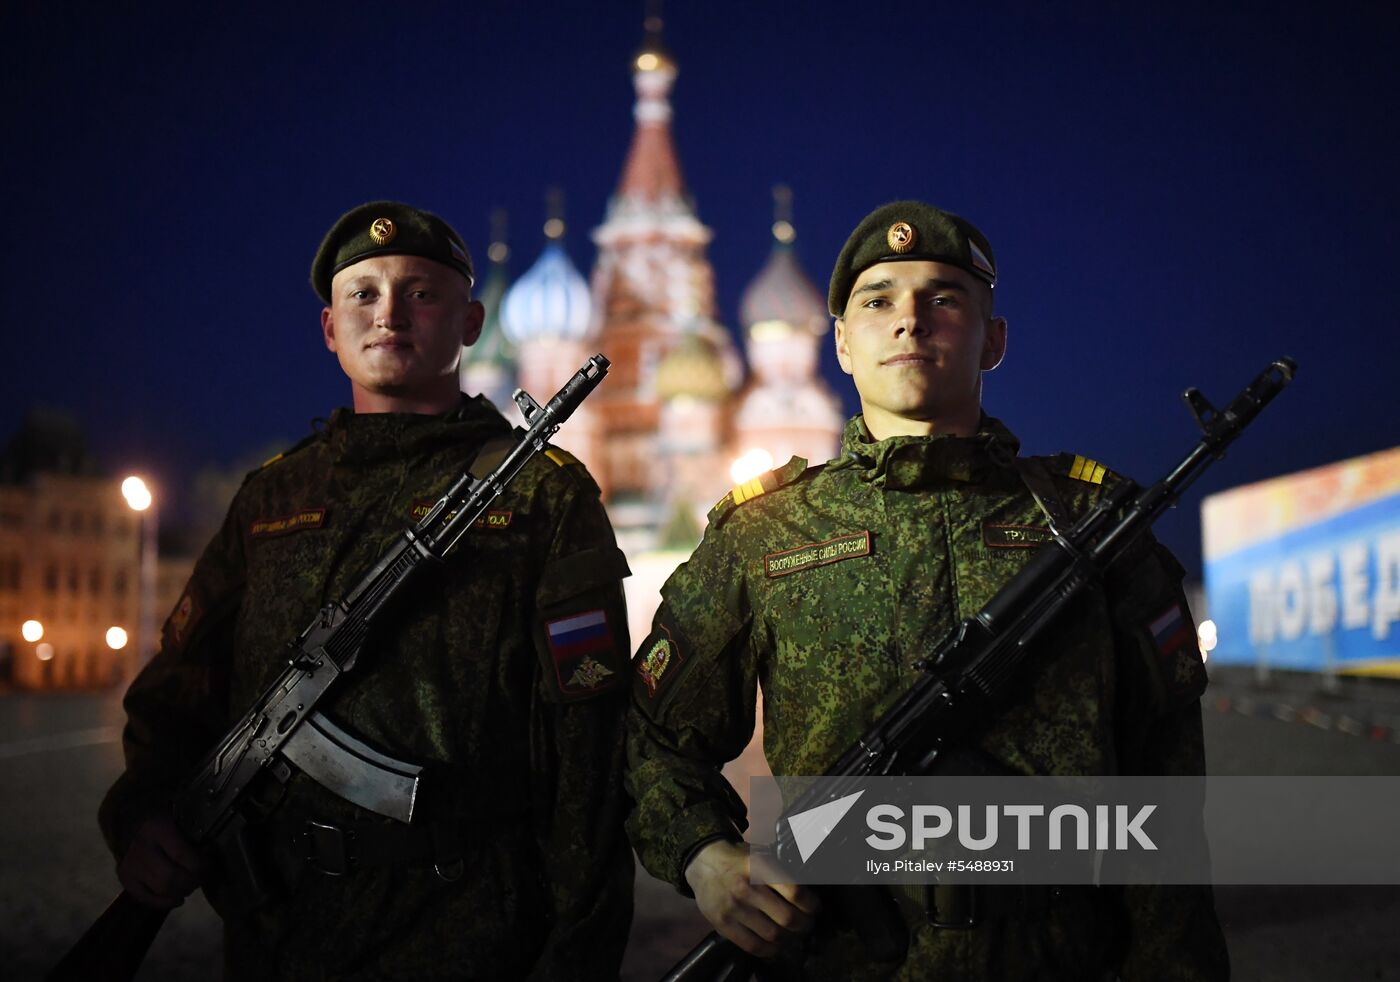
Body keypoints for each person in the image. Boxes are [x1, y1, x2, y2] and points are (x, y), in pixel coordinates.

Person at [625, 201, 1230, 980]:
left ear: (994, 339)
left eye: (944, 298)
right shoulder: (767, 532)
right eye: (877, 301)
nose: (909, 321)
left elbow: (1166, 788)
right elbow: (653, 737)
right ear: (841, 342)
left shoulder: (1087, 522)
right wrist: (705, 857)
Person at [99, 201, 634, 980]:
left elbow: (591, 755)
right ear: (328, 328)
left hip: (471, 934)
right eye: (364, 293)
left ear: (473, 323)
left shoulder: (543, 497)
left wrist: (577, 954)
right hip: (279, 933)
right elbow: (177, 692)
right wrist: (141, 815)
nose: (390, 314)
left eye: (421, 293)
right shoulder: (271, 500)